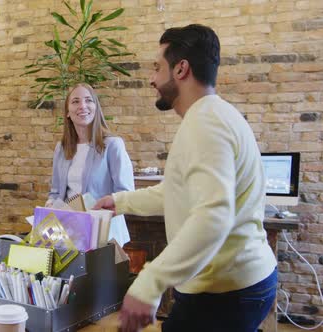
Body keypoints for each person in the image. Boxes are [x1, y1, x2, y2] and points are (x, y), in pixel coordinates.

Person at [94, 24, 277, 332]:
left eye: (157, 67)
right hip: (237, 285)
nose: (152, 79)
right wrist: (119, 201)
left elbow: (213, 216)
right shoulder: (214, 115)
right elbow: (179, 192)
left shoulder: (204, 124)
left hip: (223, 292)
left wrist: (149, 282)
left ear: (181, 69)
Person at [47, 83, 134, 246]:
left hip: (106, 234)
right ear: (67, 112)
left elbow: (126, 194)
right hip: (70, 233)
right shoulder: (61, 148)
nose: (82, 106)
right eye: (75, 101)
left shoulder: (113, 145)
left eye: (88, 100)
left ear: (96, 107)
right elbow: (55, 193)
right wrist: (50, 204)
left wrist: (100, 211)